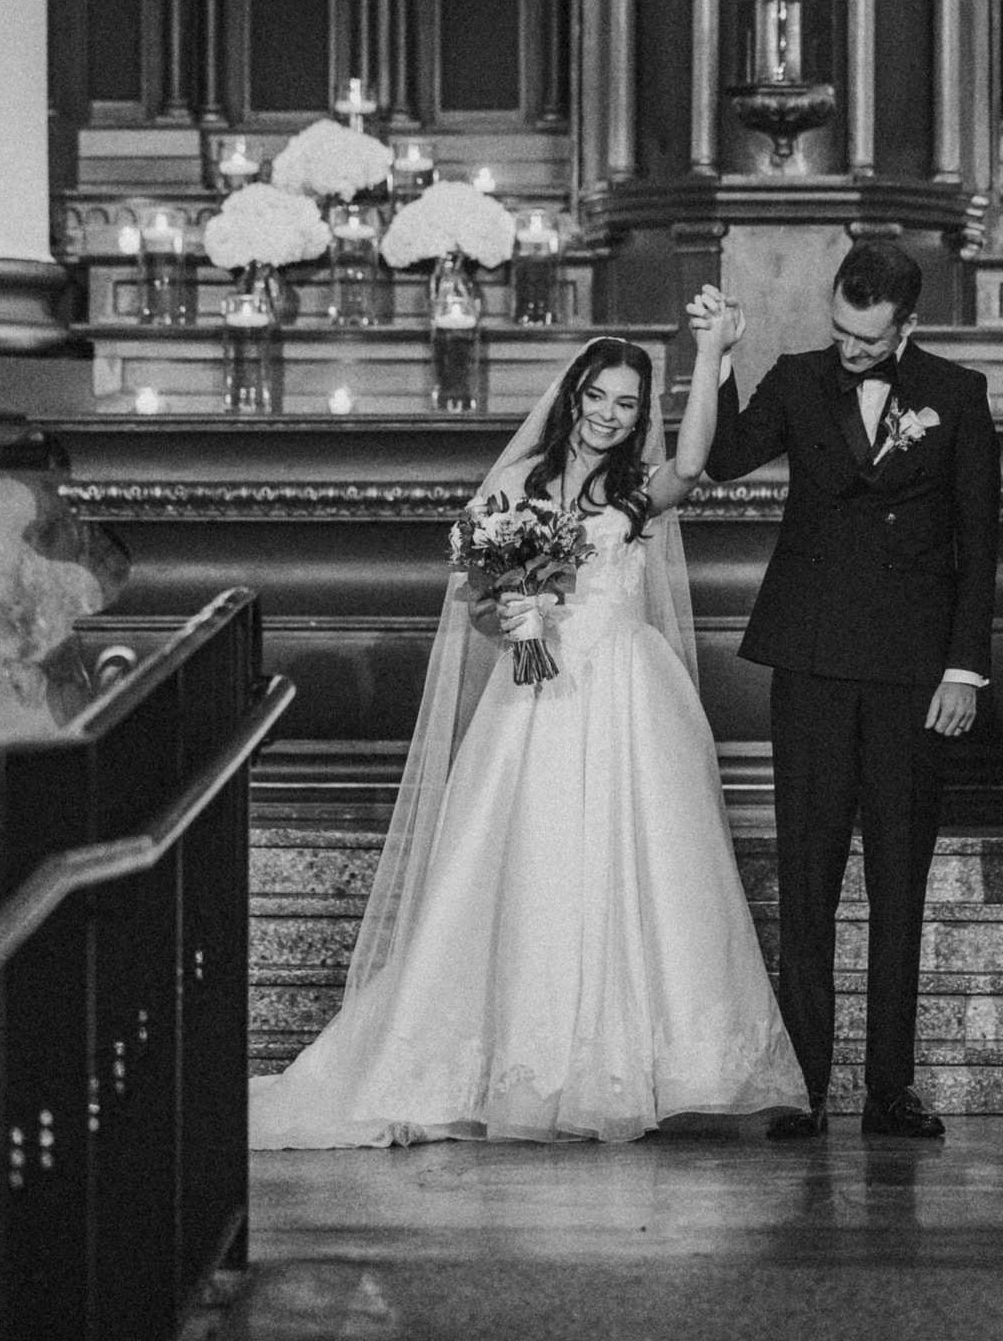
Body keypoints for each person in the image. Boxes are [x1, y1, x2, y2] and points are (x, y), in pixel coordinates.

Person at [250, 312, 807, 1147]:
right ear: (572, 396)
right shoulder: (515, 485)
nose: (609, 415)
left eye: (626, 403)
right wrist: (509, 617)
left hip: (628, 695)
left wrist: (710, 352)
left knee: (644, 870)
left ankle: (638, 1069)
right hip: (537, 700)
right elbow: (476, 599)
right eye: (598, 397)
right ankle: (509, 1067)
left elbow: (694, 465)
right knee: (534, 869)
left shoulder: (637, 491)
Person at [694, 239, 1000, 1141]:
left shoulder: (956, 393)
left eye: (868, 339)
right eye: (841, 332)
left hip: (913, 670)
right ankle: (806, 1084)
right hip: (814, 657)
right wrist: (717, 357)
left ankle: (889, 1090)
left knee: (899, 879)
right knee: (807, 875)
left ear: (907, 325)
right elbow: (723, 460)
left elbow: (978, 538)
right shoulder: (798, 379)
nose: (851, 351)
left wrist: (964, 667)